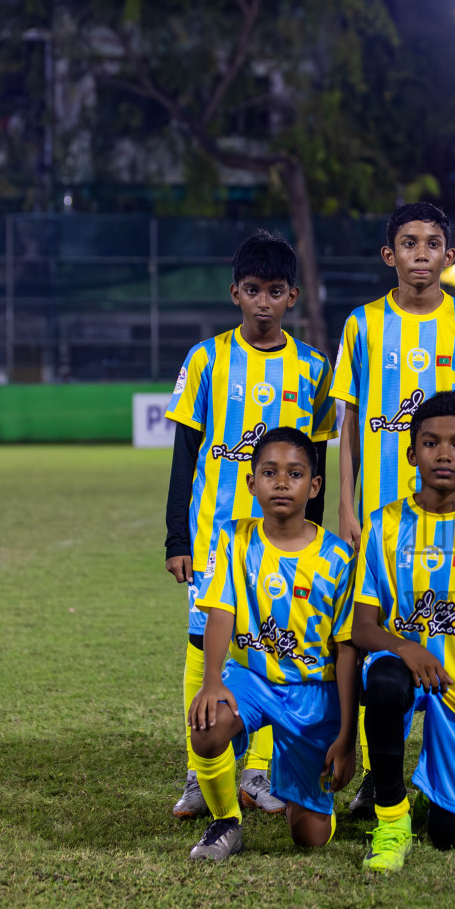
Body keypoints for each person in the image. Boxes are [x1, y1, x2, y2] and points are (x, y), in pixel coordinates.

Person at [330, 201, 455, 816]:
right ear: (390, 255)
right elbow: (347, 425)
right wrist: (347, 507)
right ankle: (381, 776)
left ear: (449, 257)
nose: (421, 254)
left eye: (433, 243)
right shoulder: (362, 325)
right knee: (373, 644)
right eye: (409, 243)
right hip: (380, 518)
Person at [165, 230, 337, 821]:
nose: (264, 302)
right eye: (253, 290)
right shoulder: (206, 359)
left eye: (276, 291)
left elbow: (317, 463)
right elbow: (185, 455)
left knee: (272, 644)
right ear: (234, 292)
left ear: (292, 295)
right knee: (201, 643)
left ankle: (257, 772)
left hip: (287, 541)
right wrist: (177, 538)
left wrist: (311, 539)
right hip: (216, 532)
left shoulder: (314, 369)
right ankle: (199, 770)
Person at [347, 392, 455, 873]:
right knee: (385, 680)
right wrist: (406, 648)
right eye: (430, 443)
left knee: (450, 836)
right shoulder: (384, 525)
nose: (443, 454)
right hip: (401, 672)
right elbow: (363, 627)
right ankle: (391, 816)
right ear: (411, 454)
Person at [185, 428, 358, 860]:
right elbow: (221, 611)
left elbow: (347, 652)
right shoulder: (233, 538)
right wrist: (211, 682)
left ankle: (299, 786)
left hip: (313, 695)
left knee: (310, 838)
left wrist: (347, 733)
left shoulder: (338, 558)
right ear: (251, 483)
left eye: (295, 473)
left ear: (314, 486)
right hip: (252, 680)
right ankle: (225, 822)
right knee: (207, 728)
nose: (281, 483)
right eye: (269, 473)